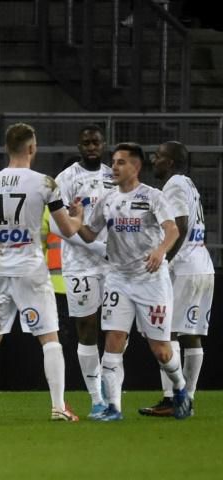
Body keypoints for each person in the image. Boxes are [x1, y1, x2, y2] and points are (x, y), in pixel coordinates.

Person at [0, 122, 83, 422]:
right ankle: (58, 407)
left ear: (8, 148)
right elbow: (67, 229)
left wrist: (4, 246)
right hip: (31, 269)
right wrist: (79, 215)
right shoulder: (45, 183)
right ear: (32, 148)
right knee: (49, 338)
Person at [78, 142, 192, 421]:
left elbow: (173, 229)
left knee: (161, 350)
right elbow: (89, 235)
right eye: (113, 162)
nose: (114, 167)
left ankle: (180, 389)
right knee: (113, 340)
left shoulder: (153, 196)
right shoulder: (107, 200)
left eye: (121, 162)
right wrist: (76, 219)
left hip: (151, 280)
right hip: (118, 278)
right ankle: (113, 407)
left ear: (136, 167)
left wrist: (160, 250)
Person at [138, 141, 214, 416]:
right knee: (192, 334)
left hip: (183, 268)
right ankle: (188, 399)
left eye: (158, 156)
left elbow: (179, 226)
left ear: (170, 162)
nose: (153, 160)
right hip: (202, 265)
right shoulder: (189, 184)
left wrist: (164, 259)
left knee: (165, 333)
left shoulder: (175, 185)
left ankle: (173, 398)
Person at [50, 126, 114, 418]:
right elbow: (55, 224)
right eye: (86, 142)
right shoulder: (66, 179)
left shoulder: (113, 176)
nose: (91, 146)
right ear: (79, 145)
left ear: (103, 145)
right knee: (87, 328)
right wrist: (96, 248)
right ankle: (97, 399)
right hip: (80, 265)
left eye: (96, 142)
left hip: (115, 265)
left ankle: (114, 397)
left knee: (115, 331)